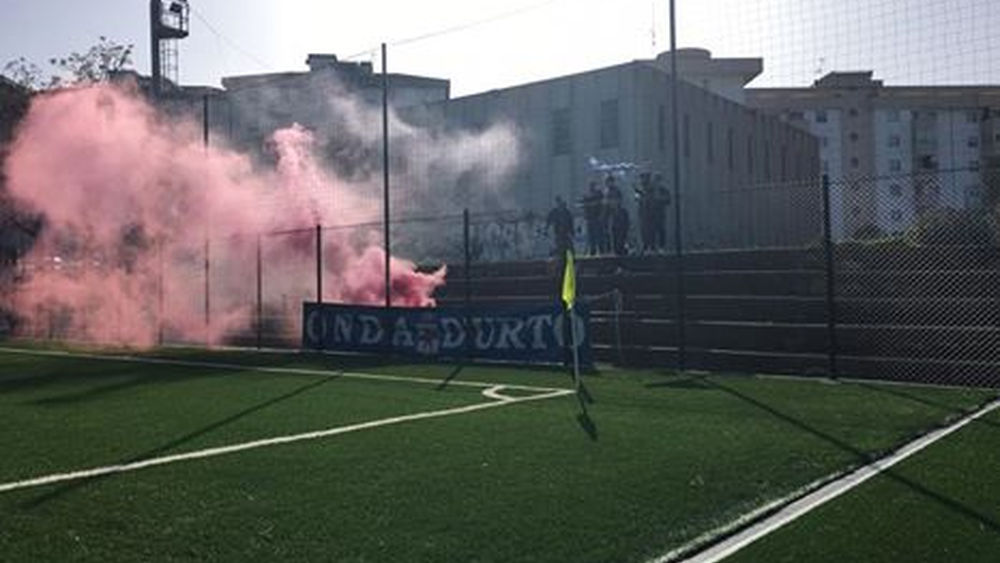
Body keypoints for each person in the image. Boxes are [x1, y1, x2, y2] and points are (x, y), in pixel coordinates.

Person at [581, 181, 604, 256]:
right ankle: (592, 251)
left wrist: (601, 215)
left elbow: (601, 204)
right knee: (591, 237)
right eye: (591, 186)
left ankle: (601, 251)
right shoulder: (586, 195)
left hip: (597, 218)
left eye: (593, 185)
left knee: (599, 236)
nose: (591, 187)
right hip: (589, 219)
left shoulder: (598, 194)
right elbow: (584, 205)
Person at [635, 172, 654, 254]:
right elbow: (637, 199)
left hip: (651, 212)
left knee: (651, 229)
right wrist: (639, 193)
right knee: (643, 230)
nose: (643, 180)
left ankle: (652, 246)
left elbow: (651, 198)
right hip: (642, 212)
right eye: (642, 178)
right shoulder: (640, 189)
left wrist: (642, 194)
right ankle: (645, 246)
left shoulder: (651, 188)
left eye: (645, 178)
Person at [603, 175, 623, 254]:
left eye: (609, 182)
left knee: (616, 232)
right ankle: (609, 249)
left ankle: (617, 249)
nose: (608, 184)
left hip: (616, 214)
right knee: (608, 233)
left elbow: (618, 201)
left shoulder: (616, 191)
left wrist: (613, 204)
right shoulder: (606, 191)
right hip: (608, 215)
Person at [651, 173, 671, 251]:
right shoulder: (650, 190)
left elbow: (668, 200)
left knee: (661, 230)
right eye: (656, 180)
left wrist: (660, 199)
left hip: (660, 213)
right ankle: (652, 247)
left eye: (658, 180)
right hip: (651, 214)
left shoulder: (664, 190)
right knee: (652, 231)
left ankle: (661, 246)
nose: (657, 182)